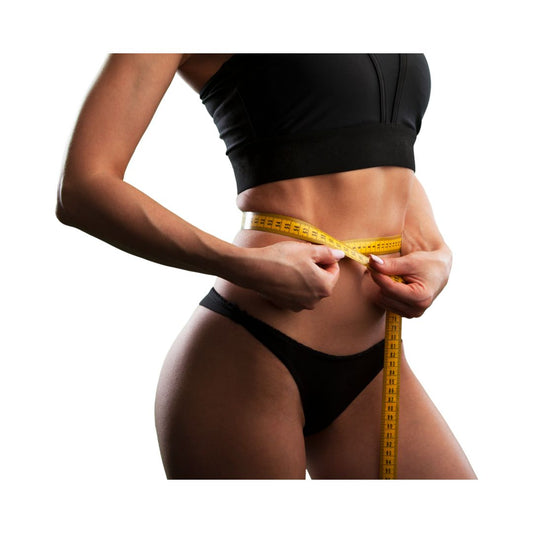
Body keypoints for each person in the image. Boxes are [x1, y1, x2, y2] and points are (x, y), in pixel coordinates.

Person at [56, 53, 476, 479]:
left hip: (376, 363)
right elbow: (83, 187)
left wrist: (437, 253)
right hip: (250, 356)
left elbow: (380, 148)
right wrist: (243, 264)